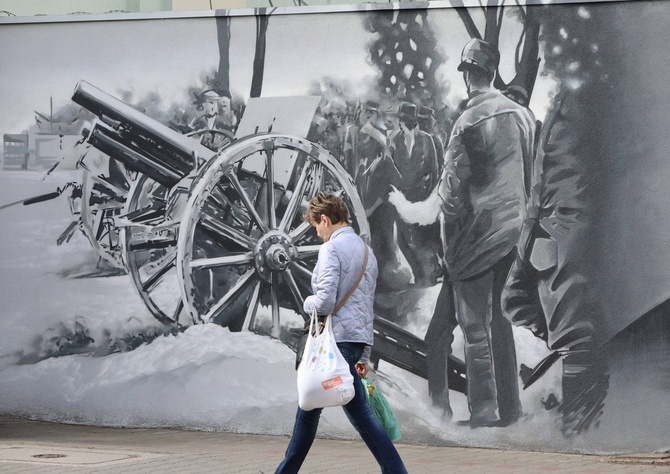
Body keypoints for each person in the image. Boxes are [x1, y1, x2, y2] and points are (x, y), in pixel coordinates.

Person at [389, 38, 535, 427]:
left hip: (473, 242)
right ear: (492, 72)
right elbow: (530, 177)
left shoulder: (467, 122)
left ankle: (483, 412)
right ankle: (512, 409)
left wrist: (415, 214)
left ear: (470, 75)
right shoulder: (521, 115)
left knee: (474, 329)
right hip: (513, 235)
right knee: (500, 325)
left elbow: (449, 195)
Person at [276, 192, 407, 474]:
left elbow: (324, 303)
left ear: (325, 219)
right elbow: (367, 307)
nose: (318, 233)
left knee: (311, 408)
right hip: (355, 341)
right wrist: (366, 353)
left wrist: (305, 302)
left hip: (335, 343)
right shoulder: (366, 253)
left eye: (316, 227)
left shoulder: (331, 250)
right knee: (354, 415)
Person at [387, 102, 441, 286]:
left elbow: (435, 170)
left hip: (422, 196)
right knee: (402, 240)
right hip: (401, 197)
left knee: (423, 238)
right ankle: (419, 274)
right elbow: (389, 166)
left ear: (411, 121)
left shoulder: (426, 139)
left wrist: (431, 197)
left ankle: (429, 274)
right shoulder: (395, 139)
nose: (402, 124)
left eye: (405, 120)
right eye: (401, 120)